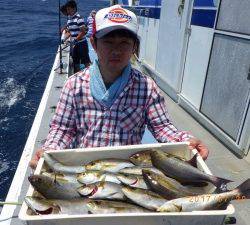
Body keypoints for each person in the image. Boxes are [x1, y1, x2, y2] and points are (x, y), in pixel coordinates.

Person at [30, 5, 208, 169]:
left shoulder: (147, 87)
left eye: (124, 43)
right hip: (86, 170)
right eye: (108, 42)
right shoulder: (73, 85)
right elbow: (63, 129)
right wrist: (49, 150)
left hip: (128, 171)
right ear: (94, 44)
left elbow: (162, 127)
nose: (116, 50)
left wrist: (185, 141)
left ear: (134, 47)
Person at [65, 0, 91, 73]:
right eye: (67, 9)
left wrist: (75, 40)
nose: (68, 11)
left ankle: (89, 77)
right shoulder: (69, 20)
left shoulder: (79, 18)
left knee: (86, 62)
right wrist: (64, 39)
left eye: (69, 9)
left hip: (81, 44)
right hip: (75, 44)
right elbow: (70, 32)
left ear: (74, 9)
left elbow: (83, 32)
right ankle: (77, 77)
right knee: (76, 62)